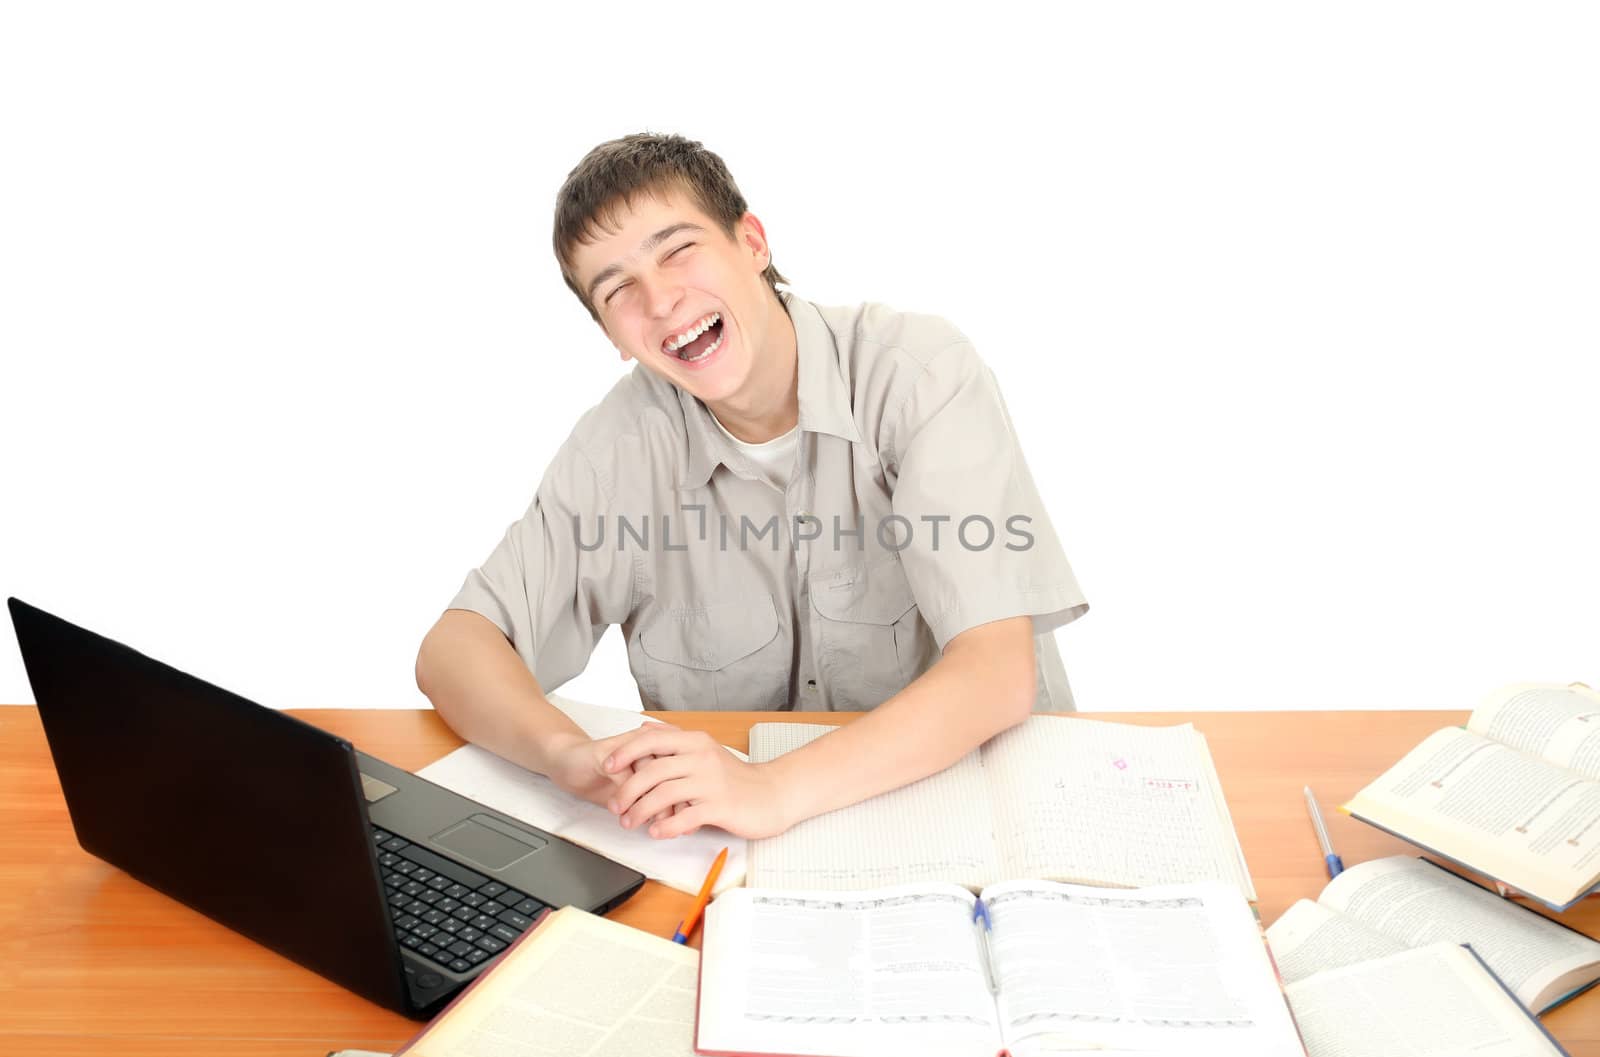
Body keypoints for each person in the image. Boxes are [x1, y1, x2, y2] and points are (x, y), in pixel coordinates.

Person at [415, 132, 1087, 842]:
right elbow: (455, 647)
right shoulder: (619, 447)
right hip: (740, 850)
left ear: (754, 243)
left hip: (982, 809)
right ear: (613, 334)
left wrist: (771, 790)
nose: (663, 299)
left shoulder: (918, 376)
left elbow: (996, 672)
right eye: (618, 290)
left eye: (678, 250)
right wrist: (567, 756)